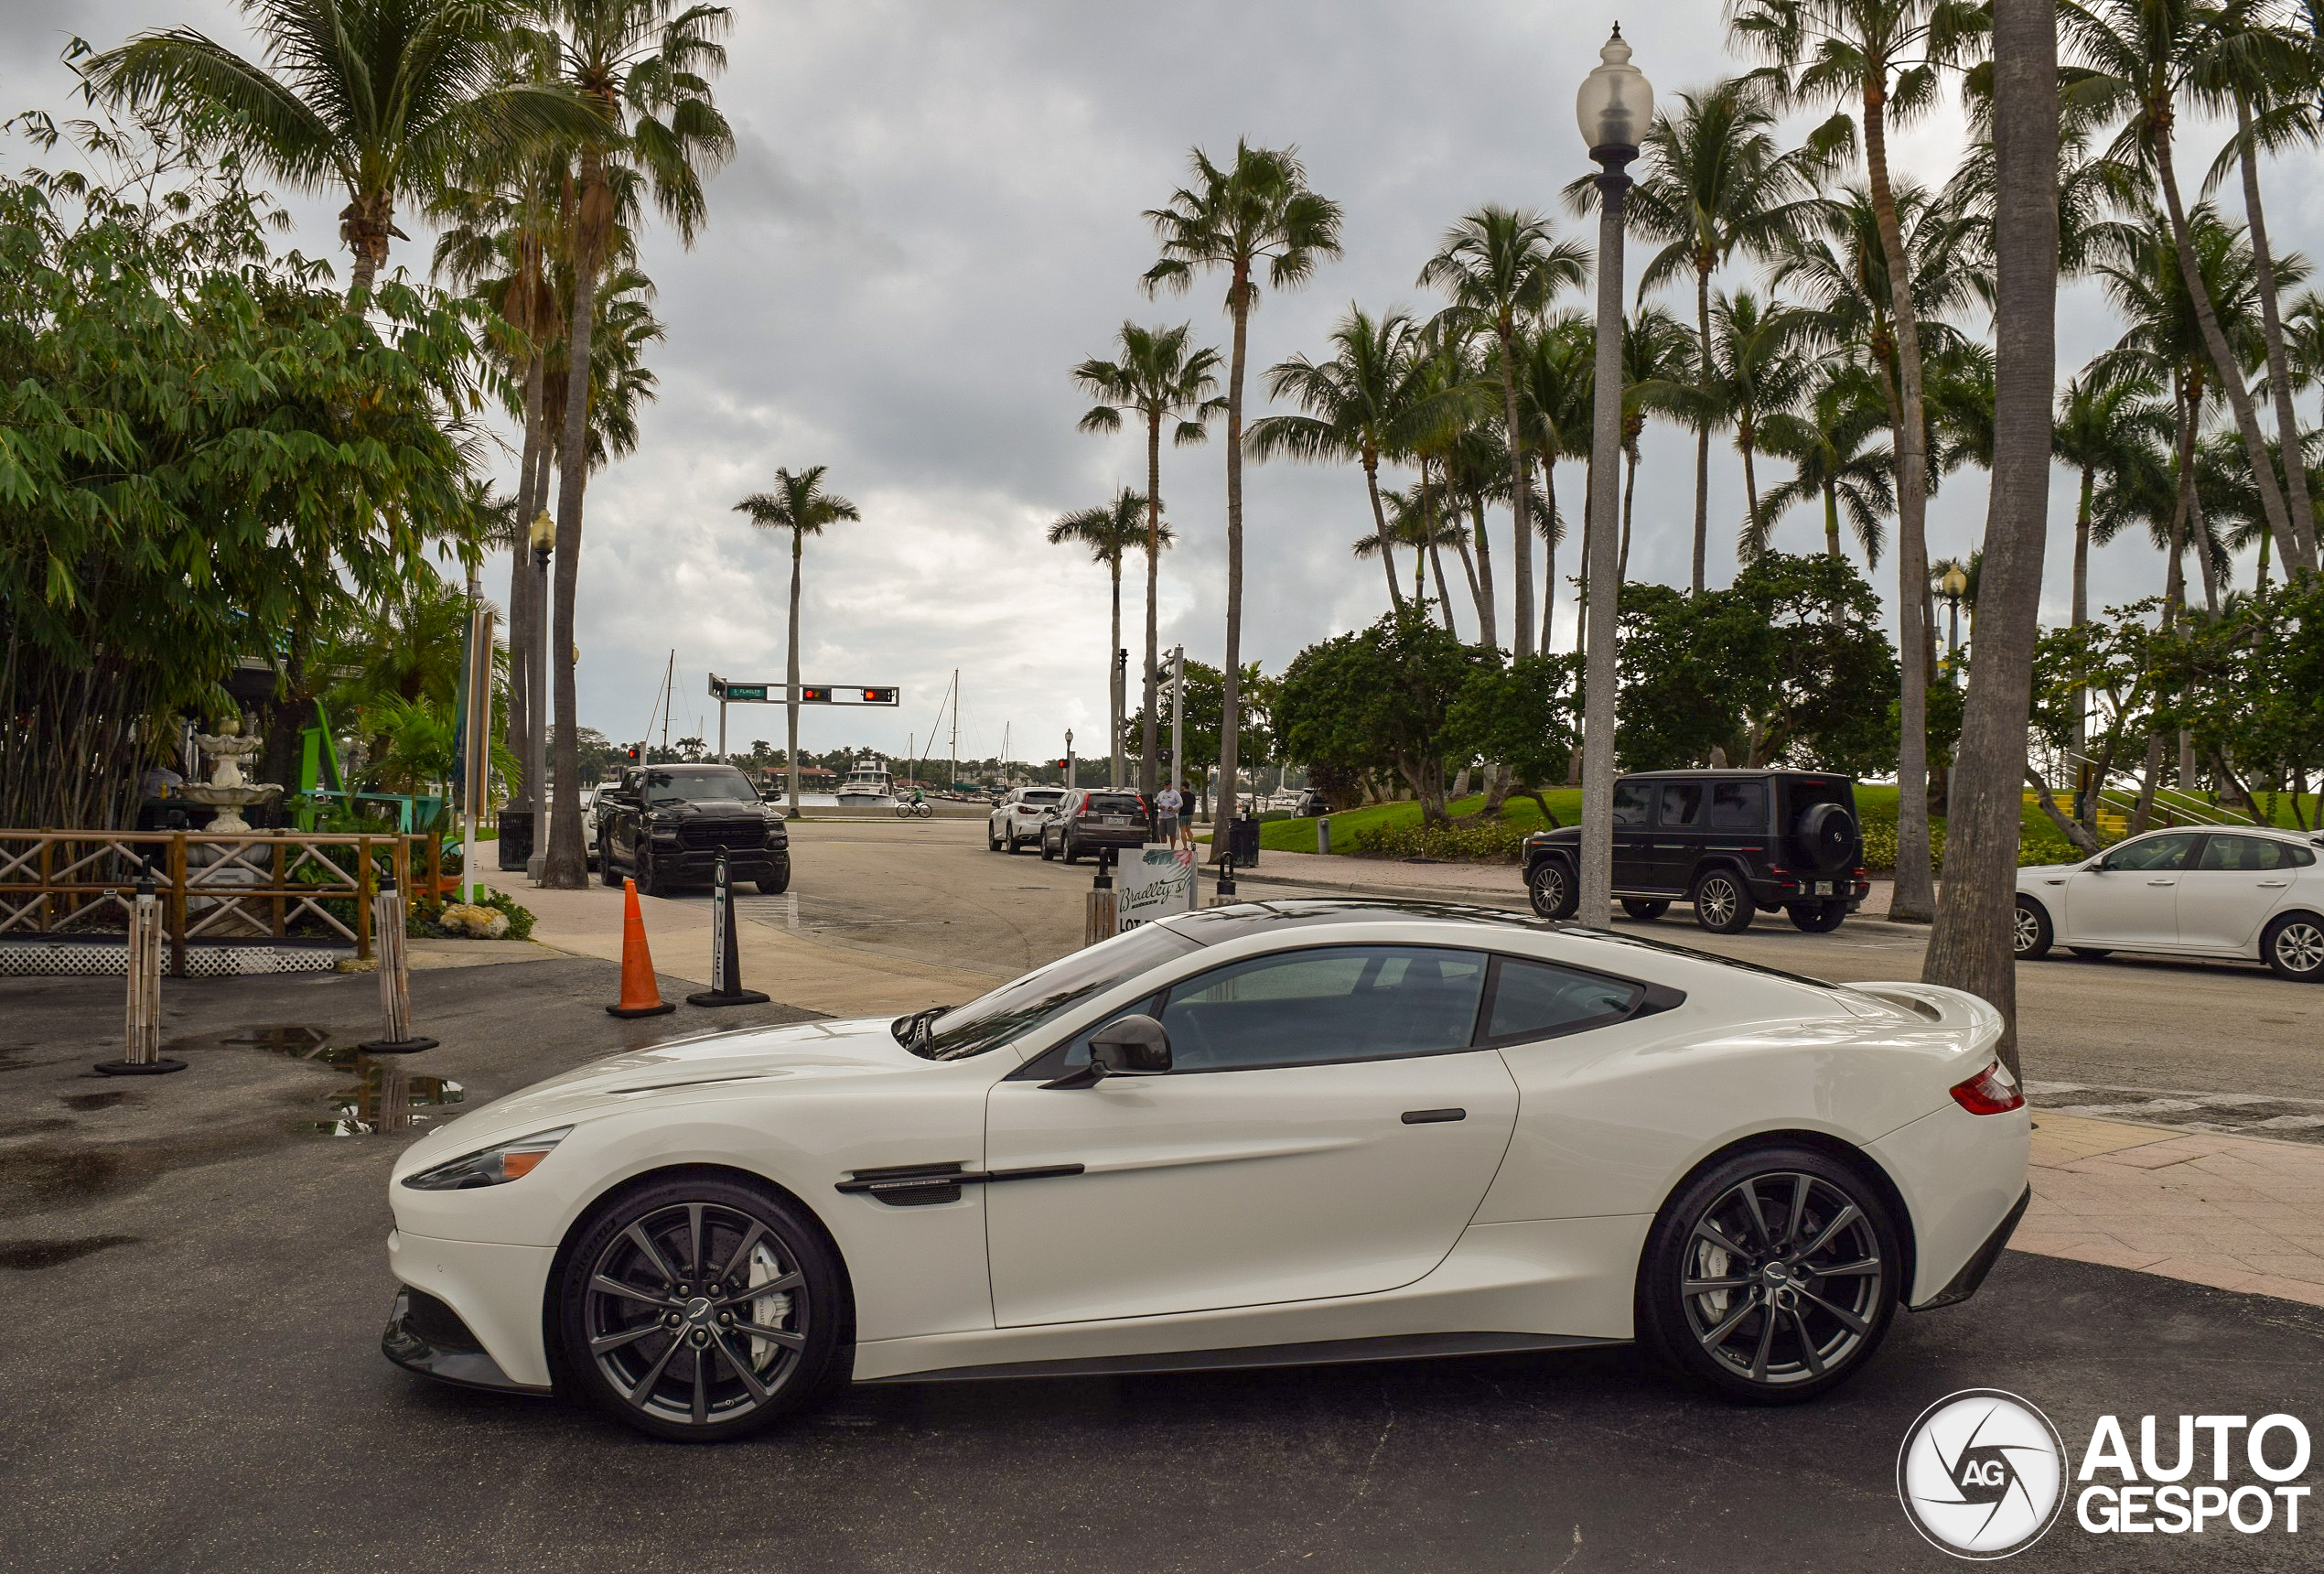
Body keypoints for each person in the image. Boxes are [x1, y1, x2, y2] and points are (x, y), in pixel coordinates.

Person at [1155, 780, 1183, 848]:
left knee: (1172, 834)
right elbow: (1156, 802)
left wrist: (1173, 808)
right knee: (1162, 834)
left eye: (1168, 785)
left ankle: (1172, 848)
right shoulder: (1161, 793)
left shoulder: (1175, 793)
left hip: (1171, 817)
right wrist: (1159, 806)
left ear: (1171, 785)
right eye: (1165, 785)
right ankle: (1164, 848)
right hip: (1162, 817)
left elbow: (1180, 803)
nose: (1166, 786)